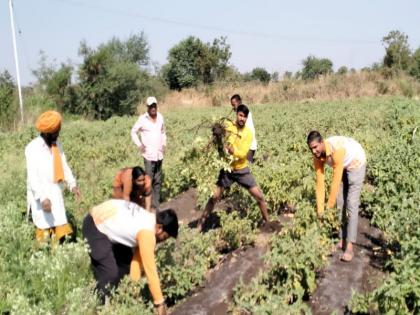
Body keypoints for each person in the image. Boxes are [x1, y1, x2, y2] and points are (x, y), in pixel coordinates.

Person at [82, 199, 178, 315]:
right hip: (94, 226)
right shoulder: (147, 234)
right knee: (109, 274)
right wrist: (160, 304)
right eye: (165, 237)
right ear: (159, 228)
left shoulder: (149, 220)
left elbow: (136, 262)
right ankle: (99, 308)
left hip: (105, 223)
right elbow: (151, 271)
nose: (163, 241)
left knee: (125, 265)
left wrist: (134, 292)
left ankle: (118, 300)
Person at [198, 104, 270, 230]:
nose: (242, 118)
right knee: (214, 197)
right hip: (228, 169)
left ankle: (267, 222)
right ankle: (200, 225)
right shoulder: (230, 128)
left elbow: (243, 154)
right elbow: (224, 144)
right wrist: (217, 134)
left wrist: (232, 151)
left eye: (245, 117)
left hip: (241, 169)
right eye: (240, 115)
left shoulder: (248, 133)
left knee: (259, 196)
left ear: (247, 118)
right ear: (236, 114)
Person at [307, 131, 366, 262]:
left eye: (316, 147)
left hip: (356, 162)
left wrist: (328, 206)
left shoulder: (336, 150)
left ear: (322, 142)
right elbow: (320, 185)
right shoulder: (316, 157)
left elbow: (335, 180)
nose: (314, 151)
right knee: (340, 202)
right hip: (342, 164)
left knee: (351, 203)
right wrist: (320, 211)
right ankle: (341, 240)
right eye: (311, 148)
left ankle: (349, 246)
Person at [25, 110, 81, 244]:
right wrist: (43, 198)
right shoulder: (33, 148)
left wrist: (72, 185)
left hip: (55, 191)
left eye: (58, 131)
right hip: (40, 195)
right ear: (46, 132)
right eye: (55, 132)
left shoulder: (57, 145)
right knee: (44, 230)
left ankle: (58, 253)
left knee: (59, 227)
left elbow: (64, 165)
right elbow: (33, 177)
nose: (58, 134)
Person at [131, 96, 166, 211]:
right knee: (148, 182)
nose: (153, 108)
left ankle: (156, 205)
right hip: (149, 156)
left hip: (159, 154)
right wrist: (139, 145)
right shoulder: (142, 119)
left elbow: (163, 132)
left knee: (157, 181)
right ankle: (146, 206)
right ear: (147, 107)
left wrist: (164, 144)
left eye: (154, 105)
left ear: (156, 106)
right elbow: (133, 132)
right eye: (151, 106)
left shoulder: (160, 117)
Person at [230, 94, 257, 163]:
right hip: (244, 145)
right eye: (232, 105)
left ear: (239, 102)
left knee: (247, 166)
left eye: (234, 105)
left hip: (249, 146)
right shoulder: (240, 113)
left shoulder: (245, 113)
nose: (233, 107)